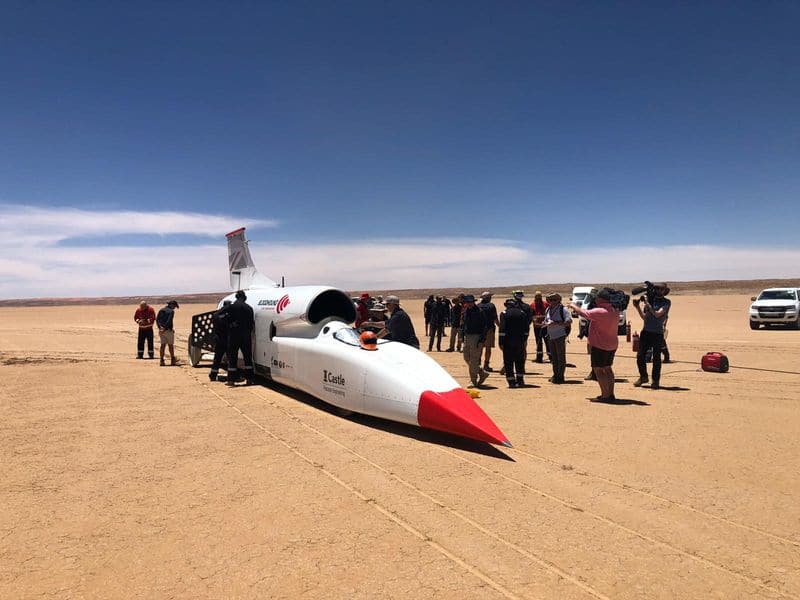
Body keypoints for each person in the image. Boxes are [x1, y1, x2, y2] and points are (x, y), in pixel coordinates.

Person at [570, 288, 620, 401]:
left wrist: (573, 305)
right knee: (607, 369)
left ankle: (605, 395)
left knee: (598, 369)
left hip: (600, 345)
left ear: (601, 299)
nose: (595, 299)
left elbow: (583, 313)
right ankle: (610, 393)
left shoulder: (600, 311)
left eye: (597, 297)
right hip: (611, 344)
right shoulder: (614, 310)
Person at [633, 283, 671, 389]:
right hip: (646, 331)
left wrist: (647, 303)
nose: (658, 290)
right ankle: (643, 377)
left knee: (656, 358)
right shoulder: (651, 301)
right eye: (656, 288)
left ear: (664, 291)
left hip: (657, 333)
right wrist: (637, 307)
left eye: (660, 289)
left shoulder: (666, 302)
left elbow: (657, 314)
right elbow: (645, 317)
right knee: (640, 356)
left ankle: (655, 380)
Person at [226, 290, 256, 386]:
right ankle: (249, 379)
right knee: (248, 358)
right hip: (246, 336)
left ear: (236, 297)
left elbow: (224, 318)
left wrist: (230, 326)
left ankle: (231, 380)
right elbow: (252, 324)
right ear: (244, 297)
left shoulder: (232, 307)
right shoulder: (249, 308)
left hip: (234, 336)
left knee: (232, 357)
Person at [499, 297, 528, 388]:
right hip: (519, 341)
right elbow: (526, 328)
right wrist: (524, 339)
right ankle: (520, 380)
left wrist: (501, 342)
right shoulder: (522, 313)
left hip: (508, 342)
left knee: (508, 362)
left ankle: (511, 381)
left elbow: (502, 329)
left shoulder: (504, 314)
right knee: (520, 361)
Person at [543, 293, 571, 384]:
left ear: (559, 300)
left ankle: (560, 376)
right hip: (550, 336)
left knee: (561, 357)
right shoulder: (548, 309)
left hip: (560, 336)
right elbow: (546, 320)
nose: (552, 302)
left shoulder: (563, 309)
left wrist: (556, 323)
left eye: (554, 300)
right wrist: (544, 323)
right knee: (554, 358)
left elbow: (569, 321)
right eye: (550, 300)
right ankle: (555, 375)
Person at [461, 294, 489, 387]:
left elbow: (485, 326)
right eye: (467, 302)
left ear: (473, 302)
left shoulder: (479, 312)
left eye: (470, 302)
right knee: (466, 358)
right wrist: (462, 335)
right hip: (467, 336)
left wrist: (482, 339)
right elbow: (463, 324)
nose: (469, 304)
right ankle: (481, 372)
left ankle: (473, 380)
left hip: (476, 337)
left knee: (474, 359)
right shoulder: (465, 311)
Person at [208, 300, 232, 382]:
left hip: (218, 339)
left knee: (217, 358)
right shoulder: (229, 315)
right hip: (227, 339)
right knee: (230, 358)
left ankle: (213, 375)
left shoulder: (215, 315)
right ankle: (231, 376)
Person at [478, 291, 499, 372]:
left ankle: (478, 364)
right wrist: (500, 327)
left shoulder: (478, 306)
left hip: (479, 331)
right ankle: (486, 365)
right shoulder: (491, 306)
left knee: (480, 348)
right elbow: (495, 318)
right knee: (488, 348)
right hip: (489, 329)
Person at [156, 300, 180, 366]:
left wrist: (160, 328)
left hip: (161, 331)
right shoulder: (171, 311)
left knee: (162, 345)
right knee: (170, 346)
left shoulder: (161, 310)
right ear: (171, 305)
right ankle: (172, 360)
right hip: (168, 330)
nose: (174, 308)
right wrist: (165, 328)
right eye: (174, 306)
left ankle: (161, 360)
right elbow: (169, 321)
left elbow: (157, 320)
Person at [530, 291, 549, 363]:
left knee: (547, 341)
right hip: (537, 327)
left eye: (539, 296)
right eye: (536, 296)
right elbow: (531, 315)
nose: (538, 298)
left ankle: (551, 357)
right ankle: (539, 358)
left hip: (545, 326)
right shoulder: (532, 305)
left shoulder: (546, 304)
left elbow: (549, 314)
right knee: (538, 342)